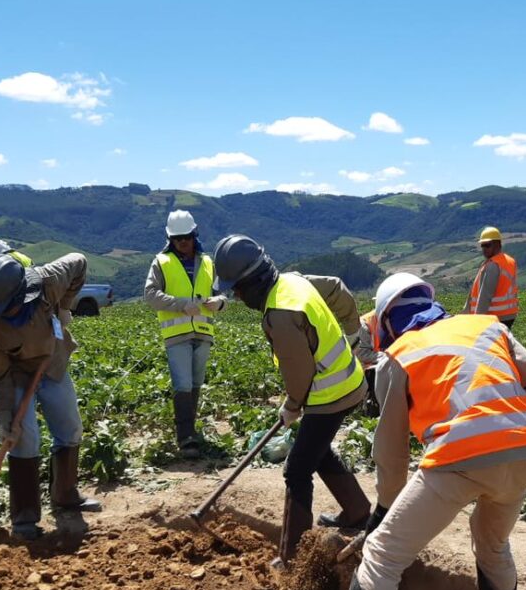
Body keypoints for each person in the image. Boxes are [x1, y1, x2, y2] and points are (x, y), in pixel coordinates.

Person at [263, 272, 526, 590]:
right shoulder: (488, 326)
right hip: (524, 451)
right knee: (493, 547)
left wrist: (381, 518)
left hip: (458, 457)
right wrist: (508, 440)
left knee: (382, 556)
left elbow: (392, 457)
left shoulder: (398, 357)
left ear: (388, 322)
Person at [213, 235, 371, 566]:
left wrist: (292, 405)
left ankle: (292, 557)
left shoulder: (280, 314)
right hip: (348, 382)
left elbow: (299, 371)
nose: (238, 297)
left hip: (331, 394)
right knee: (316, 448)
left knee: (297, 470)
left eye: (238, 289)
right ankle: (357, 512)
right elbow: (337, 288)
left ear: (253, 282)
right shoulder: (293, 281)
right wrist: (353, 333)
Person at [0, 252, 102, 541]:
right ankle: (25, 518)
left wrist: (65, 307)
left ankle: (66, 497)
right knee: (23, 438)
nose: (5, 313)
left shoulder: (46, 281)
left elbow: (79, 262)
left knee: (70, 428)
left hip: (52, 363)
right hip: (17, 376)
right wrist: (5, 420)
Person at [144, 210, 228, 458]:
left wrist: (220, 303)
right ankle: (186, 437)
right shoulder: (161, 262)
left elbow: (222, 293)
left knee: (195, 384)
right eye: (178, 238)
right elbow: (150, 295)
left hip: (203, 332)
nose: (182, 242)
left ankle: (190, 431)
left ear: (195, 235)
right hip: (176, 334)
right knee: (182, 384)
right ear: (171, 239)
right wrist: (180, 303)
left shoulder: (209, 262)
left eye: (187, 237)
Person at [463, 226, 519, 328]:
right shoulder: (510, 261)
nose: (484, 249)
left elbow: (485, 296)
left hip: (493, 317)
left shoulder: (493, 265)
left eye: (487, 245)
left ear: (497, 244)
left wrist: (477, 321)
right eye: (482, 245)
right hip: (509, 315)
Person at [354, 309, 381, 416]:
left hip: (385, 366)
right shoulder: (365, 324)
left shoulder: (395, 319)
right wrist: (387, 357)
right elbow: (362, 354)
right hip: (370, 371)